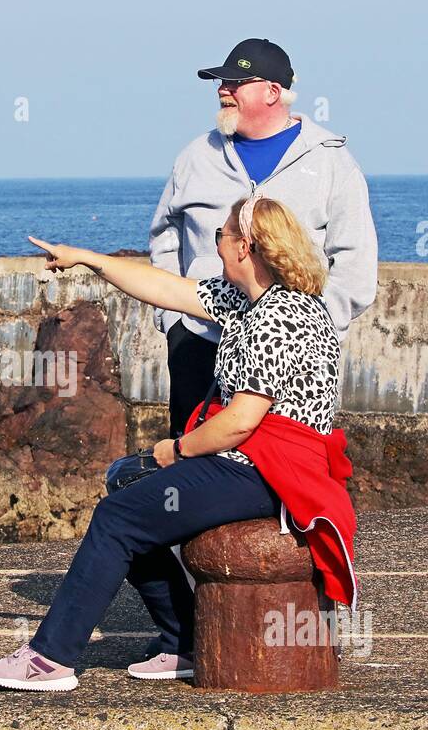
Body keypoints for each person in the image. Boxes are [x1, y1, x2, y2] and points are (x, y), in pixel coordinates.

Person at [0, 194, 345, 692]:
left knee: (118, 517)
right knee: (124, 484)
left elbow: (240, 421)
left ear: (247, 247)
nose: (218, 245)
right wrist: (88, 258)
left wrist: (177, 449)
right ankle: (185, 640)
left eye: (223, 236)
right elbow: (167, 289)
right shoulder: (252, 302)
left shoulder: (277, 317)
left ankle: (50, 658)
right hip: (253, 459)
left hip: (267, 468)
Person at [151, 37, 377, 437]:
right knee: (189, 468)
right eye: (220, 82)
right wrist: (175, 322)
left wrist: (315, 326)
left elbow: (355, 259)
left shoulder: (330, 161)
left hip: (289, 353)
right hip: (200, 341)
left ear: (273, 91)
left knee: (274, 470)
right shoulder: (195, 157)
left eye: (236, 82)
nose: (223, 89)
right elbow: (165, 236)